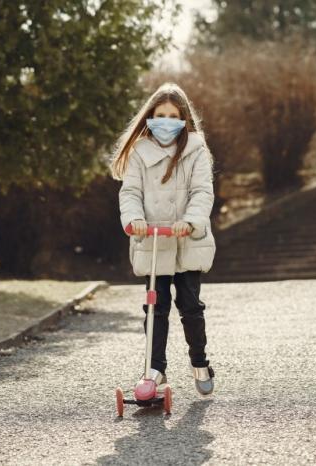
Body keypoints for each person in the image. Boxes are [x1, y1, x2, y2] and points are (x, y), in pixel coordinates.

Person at [109, 82, 216, 395]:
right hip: (154, 242)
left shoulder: (195, 151)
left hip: (187, 241)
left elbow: (201, 192)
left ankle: (199, 361)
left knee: (190, 305)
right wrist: (134, 220)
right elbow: (130, 192)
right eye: (160, 115)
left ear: (183, 119)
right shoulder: (140, 154)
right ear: (150, 117)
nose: (166, 121)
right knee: (156, 307)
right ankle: (155, 368)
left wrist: (191, 221)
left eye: (173, 115)